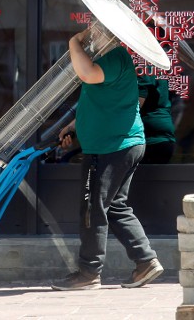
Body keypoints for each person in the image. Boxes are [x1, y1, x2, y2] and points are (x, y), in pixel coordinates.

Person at [51, 28, 164, 291]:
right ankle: (145, 262)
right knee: (115, 207)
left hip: (111, 147)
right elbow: (103, 102)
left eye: (95, 28)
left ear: (107, 33)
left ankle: (89, 272)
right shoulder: (111, 59)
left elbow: (86, 74)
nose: (89, 33)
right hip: (120, 144)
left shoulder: (113, 57)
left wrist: (72, 41)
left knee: (93, 209)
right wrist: (73, 125)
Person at [137, 74, 176, 164]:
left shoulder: (143, 71)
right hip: (165, 135)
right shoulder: (161, 70)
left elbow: (136, 107)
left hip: (150, 137)